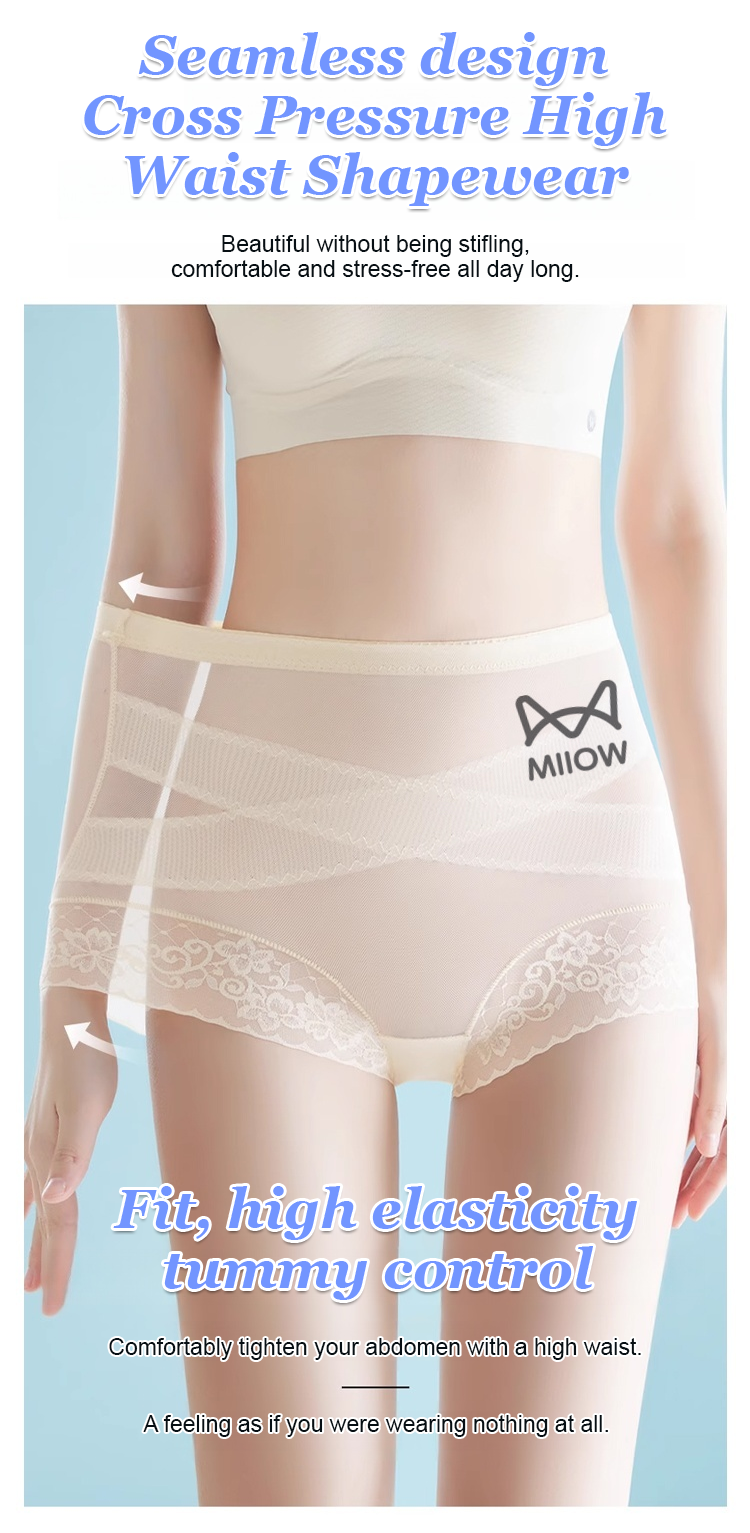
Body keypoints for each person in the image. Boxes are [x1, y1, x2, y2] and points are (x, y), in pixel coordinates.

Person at [24, 305, 726, 1506]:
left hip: (579, 859)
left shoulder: (664, 181)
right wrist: (73, 991)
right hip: (258, 886)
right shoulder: (186, 193)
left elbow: (676, 523)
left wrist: (728, 955)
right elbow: (157, 566)